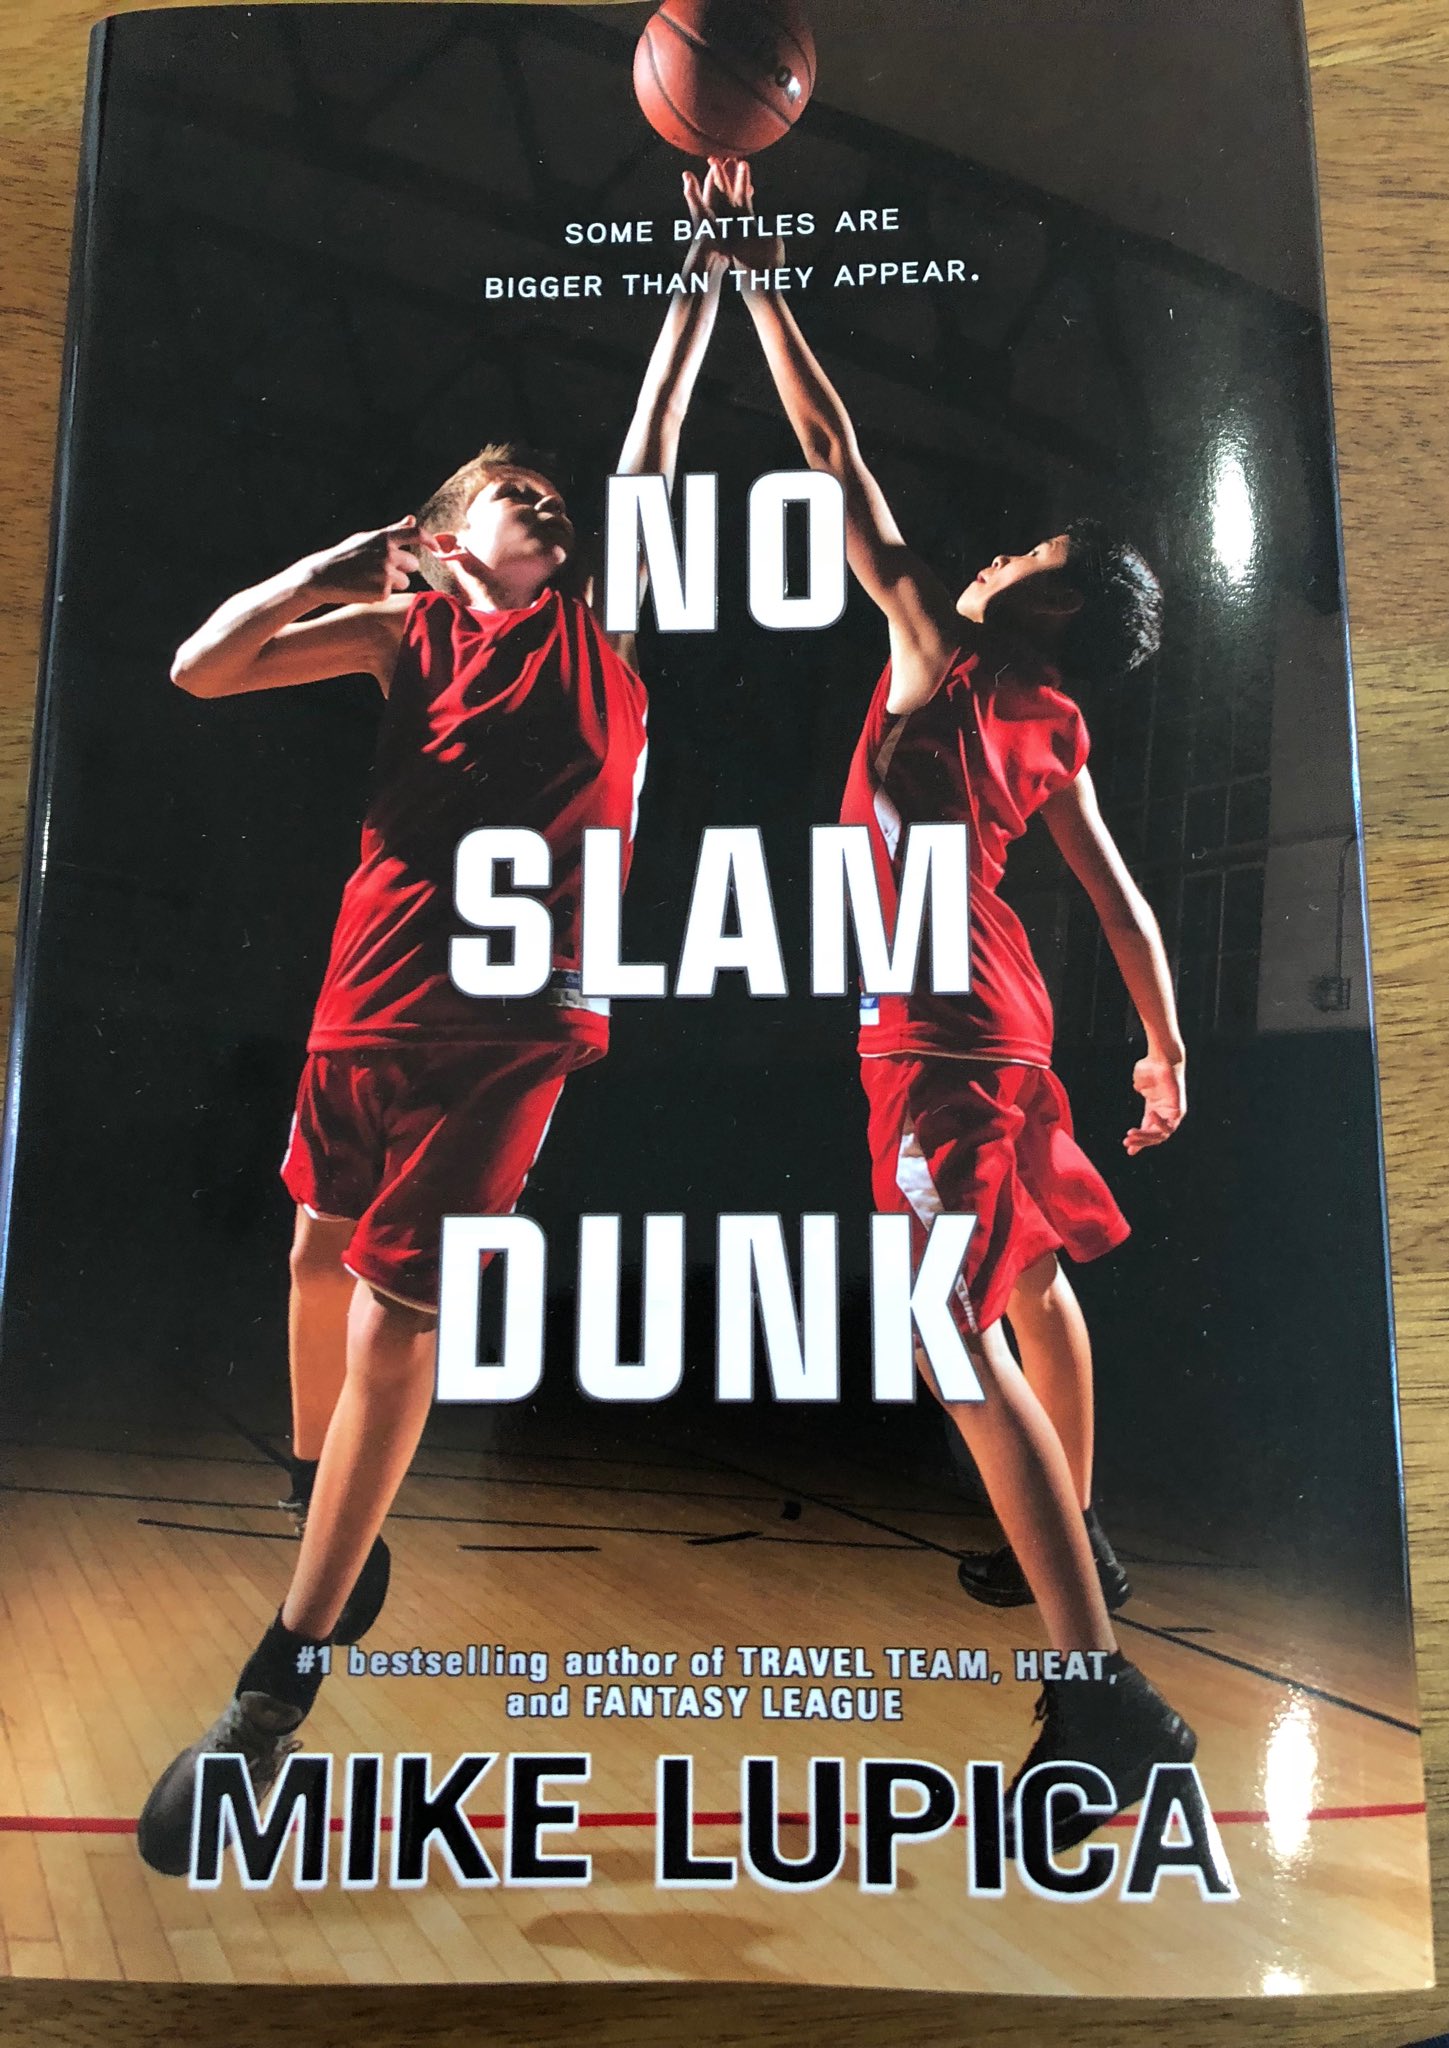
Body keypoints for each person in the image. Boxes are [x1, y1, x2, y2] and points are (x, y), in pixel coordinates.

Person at [136, 172, 731, 1878]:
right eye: (509, 492)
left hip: (515, 1029)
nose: (546, 502)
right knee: (316, 1253)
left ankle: (280, 1675)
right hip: (366, 992)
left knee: (402, 1316)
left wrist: (698, 275)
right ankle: (329, 1504)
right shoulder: (404, 635)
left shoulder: (600, 633)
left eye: (551, 498)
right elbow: (198, 667)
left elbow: (655, 438)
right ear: (448, 529)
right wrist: (334, 563)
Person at [711, 158, 1193, 1845]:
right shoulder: (1057, 722)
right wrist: (1165, 1048)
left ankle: (1099, 1692)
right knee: (1033, 1286)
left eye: (1029, 551)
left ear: (1047, 603)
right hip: (1013, 1023)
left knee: (947, 1331)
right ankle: (1082, 1530)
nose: (995, 552)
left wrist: (759, 276)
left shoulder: (945, 649)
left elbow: (832, 452)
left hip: (935, 1032)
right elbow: (1121, 902)